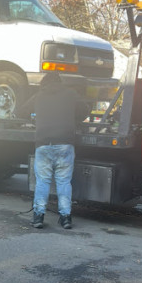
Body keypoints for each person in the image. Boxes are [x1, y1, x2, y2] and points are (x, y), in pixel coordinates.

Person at [16, 72, 88, 229]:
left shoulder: (38, 96)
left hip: (43, 144)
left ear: (44, 83)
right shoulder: (71, 94)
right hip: (65, 144)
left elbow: (20, 112)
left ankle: (38, 217)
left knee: (43, 181)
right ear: (60, 82)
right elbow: (85, 111)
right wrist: (72, 119)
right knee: (63, 181)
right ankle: (66, 218)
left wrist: (36, 118)